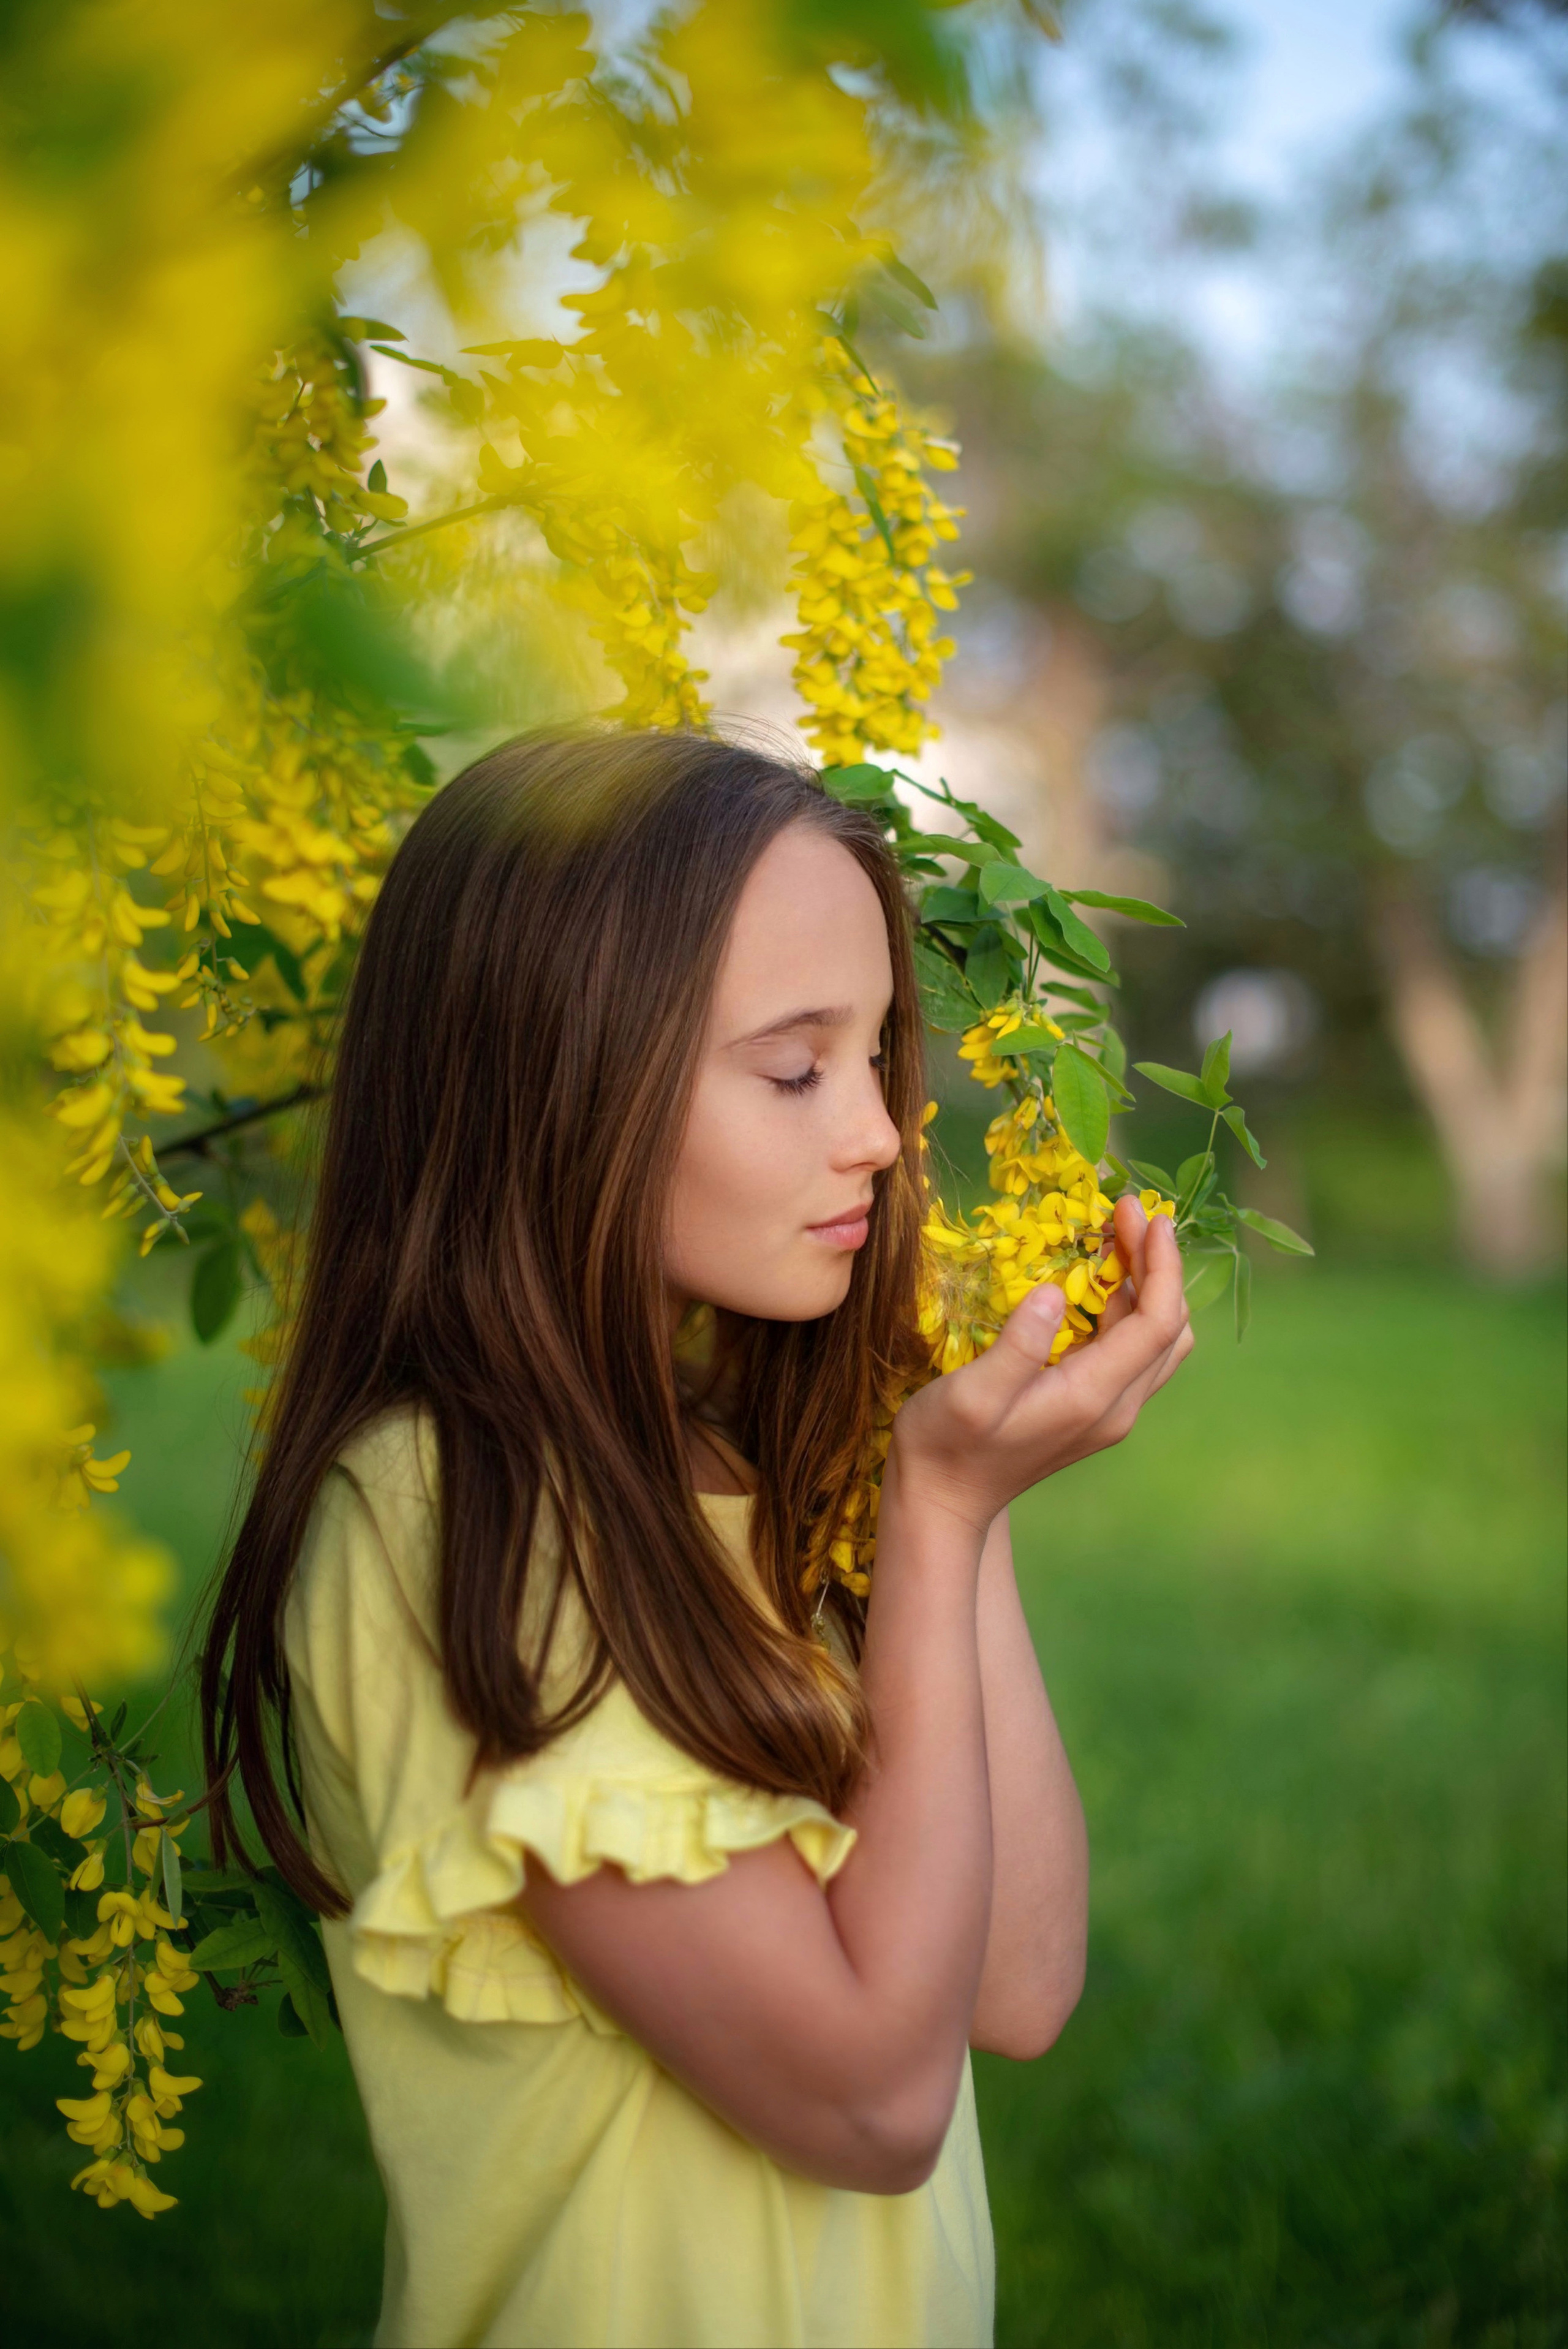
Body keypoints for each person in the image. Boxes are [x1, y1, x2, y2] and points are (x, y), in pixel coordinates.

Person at [200, 728, 1193, 2349]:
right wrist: (932, 1522)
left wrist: (955, 1481)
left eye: (878, 1054)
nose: (876, 1130)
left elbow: (1012, 1990)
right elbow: (873, 2101)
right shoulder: (452, 1515)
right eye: (795, 1065)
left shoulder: (716, 1460)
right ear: (557, 1071)